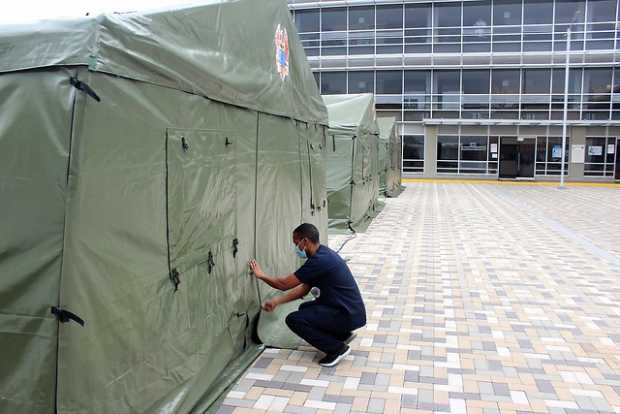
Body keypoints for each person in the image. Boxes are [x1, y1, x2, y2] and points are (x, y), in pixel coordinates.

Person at [248, 223, 366, 367]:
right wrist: (277, 301)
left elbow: (284, 284)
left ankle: (336, 349)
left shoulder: (319, 261)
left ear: (305, 241)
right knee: (305, 308)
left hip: (347, 315)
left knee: (294, 320)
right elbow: (304, 289)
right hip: (351, 312)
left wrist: (261, 275)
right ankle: (342, 335)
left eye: (296, 243)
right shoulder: (323, 253)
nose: (296, 247)